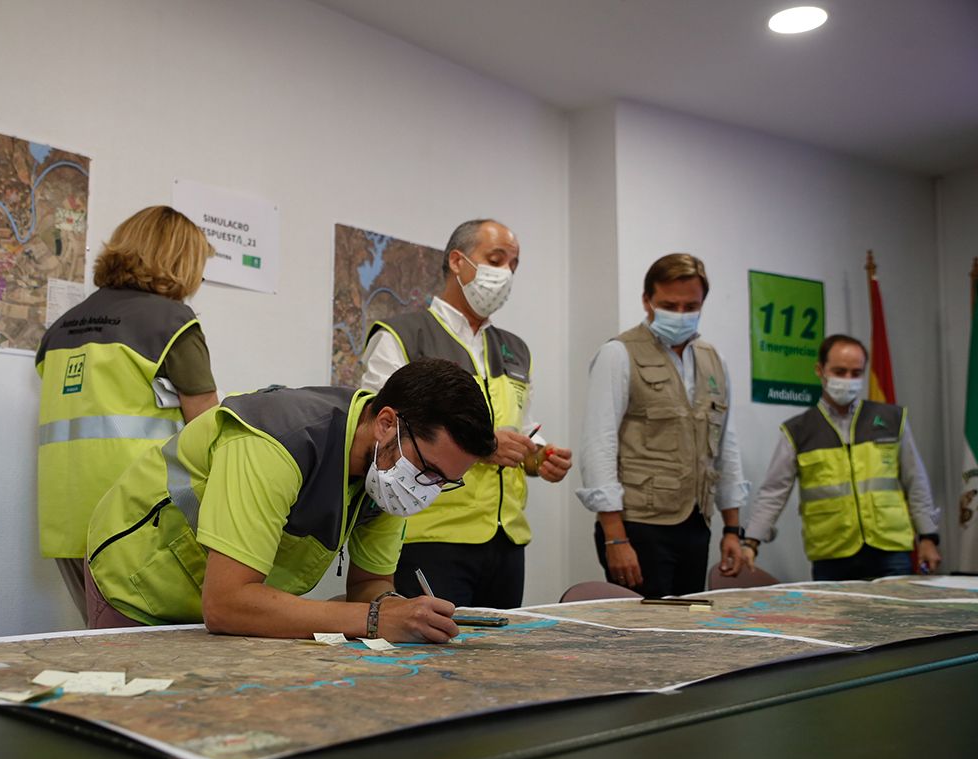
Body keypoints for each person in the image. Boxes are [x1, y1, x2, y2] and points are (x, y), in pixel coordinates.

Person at [85, 358, 498, 642]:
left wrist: (402, 612)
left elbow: (369, 584)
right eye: (427, 470)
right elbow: (227, 605)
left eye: (444, 481)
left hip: (231, 609)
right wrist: (375, 619)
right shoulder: (278, 441)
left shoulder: (388, 472)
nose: (426, 488)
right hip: (143, 585)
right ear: (387, 424)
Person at [359, 219, 572, 609]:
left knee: (496, 662)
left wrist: (537, 455)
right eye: (496, 259)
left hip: (506, 538)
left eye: (514, 264)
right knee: (425, 661)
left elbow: (521, 423)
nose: (506, 272)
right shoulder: (403, 334)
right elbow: (380, 429)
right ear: (458, 262)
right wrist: (485, 447)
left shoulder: (515, 349)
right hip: (430, 534)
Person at [36, 206, 219, 621]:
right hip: (135, 517)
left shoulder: (61, 328)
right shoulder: (171, 321)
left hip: (66, 515)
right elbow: (209, 427)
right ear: (179, 261)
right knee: (156, 647)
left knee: (100, 636)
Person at [577, 253, 750, 598]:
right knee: (644, 638)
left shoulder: (714, 360)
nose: (681, 315)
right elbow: (599, 446)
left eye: (691, 306)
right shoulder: (619, 353)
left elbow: (725, 447)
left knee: (685, 634)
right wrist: (615, 537)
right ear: (647, 300)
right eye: (670, 305)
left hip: (696, 522)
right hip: (639, 526)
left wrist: (733, 529)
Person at [746, 334, 942, 580]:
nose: (848, 380)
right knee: (838, 619)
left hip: (890, 550)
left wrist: (928, 537)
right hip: (832, 553)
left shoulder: (892, 420)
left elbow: (916, 482)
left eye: (855, 373)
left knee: (896, 618)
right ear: (820, 370)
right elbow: (773, 493)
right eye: (840, 371)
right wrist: (751, 542)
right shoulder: (798, 430)